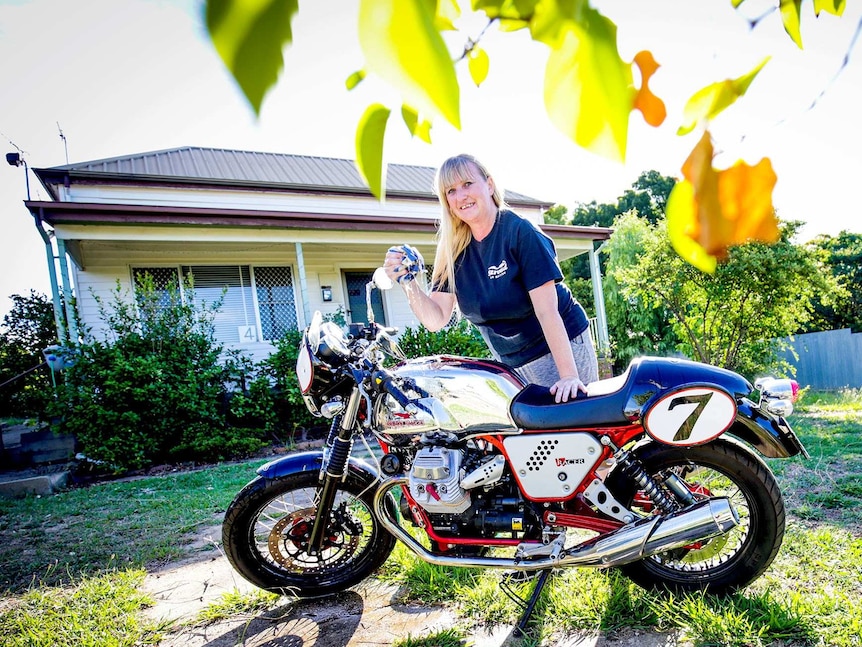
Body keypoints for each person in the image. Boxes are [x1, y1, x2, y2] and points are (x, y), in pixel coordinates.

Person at [384, 153, 598, 403]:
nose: (461, 195)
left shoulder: (519, 231)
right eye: (451, 191)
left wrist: (569, 376)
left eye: (467, 184)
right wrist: (408, 283)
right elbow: (436, 319)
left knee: (574, 430)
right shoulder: (453, 252)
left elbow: (547, 312)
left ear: (489, 184)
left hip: (560, 349)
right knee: (530, 439)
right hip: (512, 364)